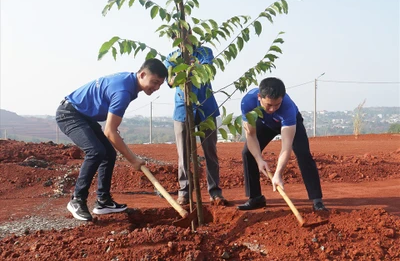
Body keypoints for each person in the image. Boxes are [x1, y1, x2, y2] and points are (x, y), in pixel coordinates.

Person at [56, 58, 168, 221]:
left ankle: (103, 201)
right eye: (155, 82)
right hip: (70, 115)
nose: (156, 88)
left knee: (108, 153)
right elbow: (110, 131)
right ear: (142, 74)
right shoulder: (124, 91)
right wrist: (134, 160)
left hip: (85, 116)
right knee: (96, 151)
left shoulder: (129, 82)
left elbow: (111, 127)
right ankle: (77, 200)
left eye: (160, 85)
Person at [237, 77, 327, 211]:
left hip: (288, 124)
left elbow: (286, 145)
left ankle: (317, 200)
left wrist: (278, 174)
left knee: (303, 154)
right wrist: (259, 159)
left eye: (277, 104)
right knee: (248, 153)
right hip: (265, 123)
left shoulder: (287, 108)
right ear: (259, 97)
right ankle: (255, 198)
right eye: (269, 105)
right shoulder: (247, 103)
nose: (273, 109)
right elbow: (251, 134)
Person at [163, 39, 227, 206]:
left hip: (206, 108)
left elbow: (206, 71)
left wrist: (187, 68)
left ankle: (214, 191)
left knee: (210, 151)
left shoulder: (205, 52)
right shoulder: (171, 58)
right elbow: (170, 81)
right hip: (182, 108)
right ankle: (184, 191)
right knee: (183, 154)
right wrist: (180, 71)